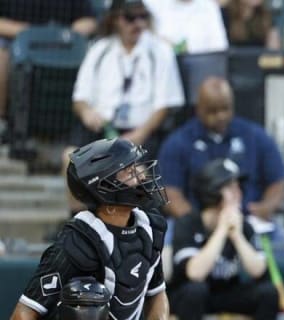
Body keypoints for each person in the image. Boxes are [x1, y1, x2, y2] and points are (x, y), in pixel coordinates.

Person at [11, 138, 169, 320]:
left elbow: (157, 293)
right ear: (106, 187)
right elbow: (23, 314)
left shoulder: (150, 227)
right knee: (86, 300)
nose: (141, 176)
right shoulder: (76, 243)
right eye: (128, 171)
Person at [64, 0, 185, 214]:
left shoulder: (160, 51)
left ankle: (132, 229)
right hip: (101, 131)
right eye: (130, 18)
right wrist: (87, 112)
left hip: (142, 133)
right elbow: (80, 98)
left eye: (142, 17)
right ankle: (80, 222)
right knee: (70, 159)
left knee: (137, 174)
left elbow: (165, 104)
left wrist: (140, 134)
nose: (137, 24)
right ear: (116, 19)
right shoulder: (99, 49)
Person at [158, 76, 284, 220]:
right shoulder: (178, 142)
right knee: (166, 235)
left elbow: (278, 181)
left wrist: (265, 208)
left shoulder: (255, 136)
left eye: (225, 109)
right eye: (213, 111)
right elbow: (169, 192)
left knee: (280, 238)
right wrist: (194, 222)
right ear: (199, 108)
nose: (220, 116)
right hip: (198, 220)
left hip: (248, 219)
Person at [169, 158, 279, 320]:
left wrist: (237, 236)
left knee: (268, 293)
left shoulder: (244, 226)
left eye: (238, 187)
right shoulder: (188, 223)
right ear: (211, 191)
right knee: (195, 291)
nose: (239, 193)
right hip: (188, 295)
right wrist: (221, 230)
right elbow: (195, 273)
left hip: (226, 292)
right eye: (231, 188)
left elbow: (258, 271)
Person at [0, 0, 97, 139]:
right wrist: (31, 33)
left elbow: (89, 21)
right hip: (18, 43)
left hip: (62, 45)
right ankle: (3, 121)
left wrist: (64, 34)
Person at [144, 0, 229, 54]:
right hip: (162, 71)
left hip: (199, 74)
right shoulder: (153, 4)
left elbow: (219, 49)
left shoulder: (209, 6)